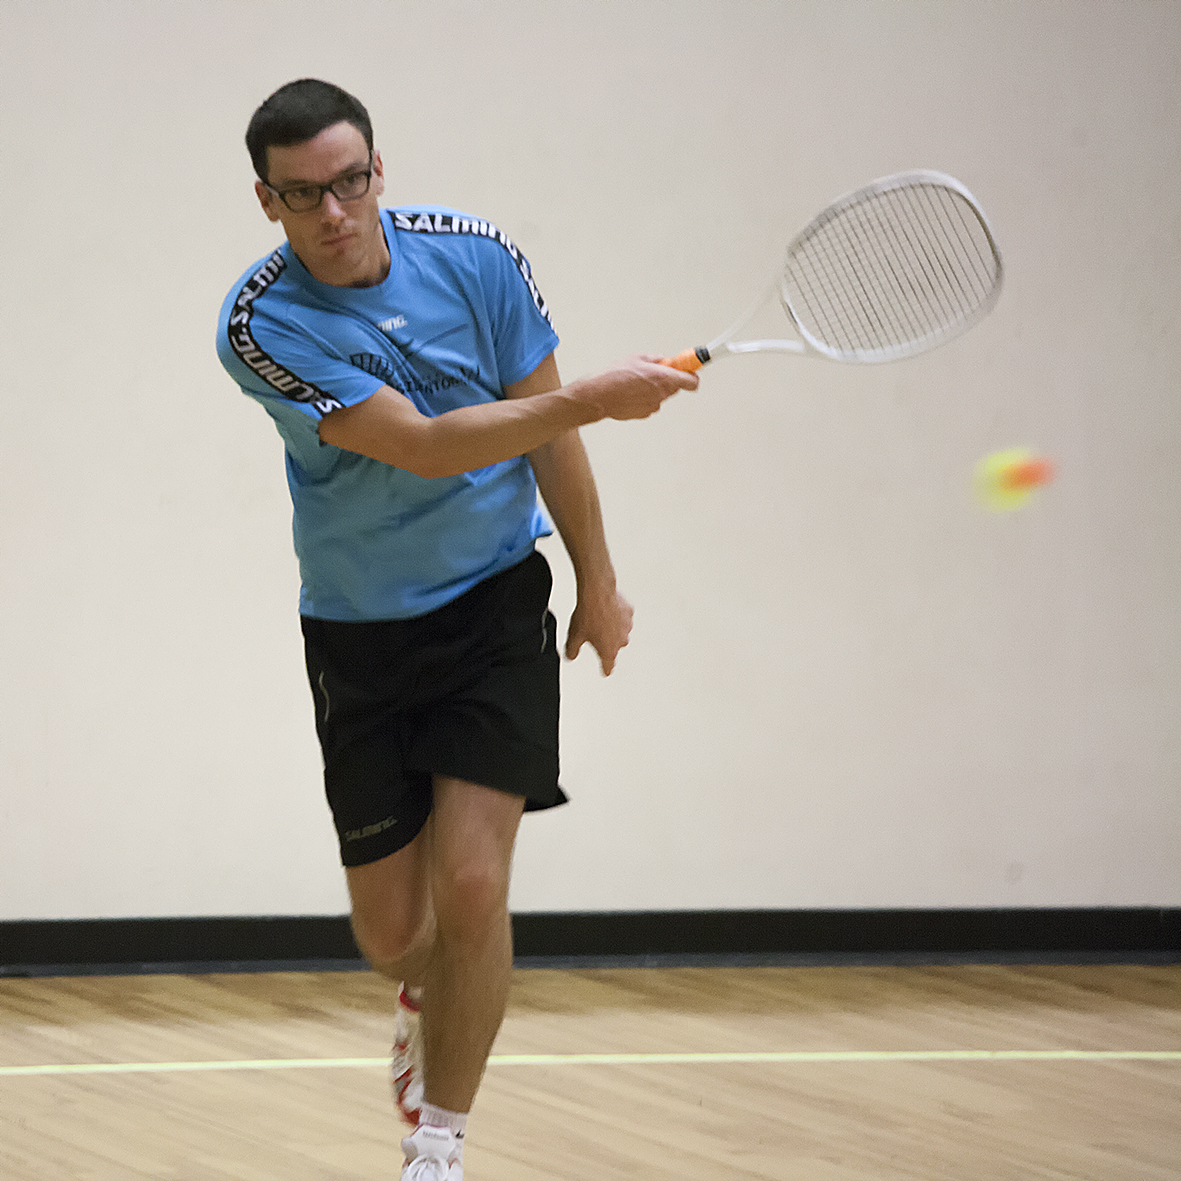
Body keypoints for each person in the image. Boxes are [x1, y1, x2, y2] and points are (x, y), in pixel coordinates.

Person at [216, 79, 696, 1179]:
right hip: (359, 633)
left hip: (491, 602)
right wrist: (594, 395)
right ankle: (419, 991)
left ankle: (438, 1143)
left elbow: (545, 436)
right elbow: (427, 446)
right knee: (394, 930)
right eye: (303, 194)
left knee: (474, 884)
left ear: (377, 169)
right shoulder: (260, 325)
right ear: (268, 201)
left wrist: (596, 579)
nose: (334, 210)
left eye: (349, 181)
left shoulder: (477, 258)